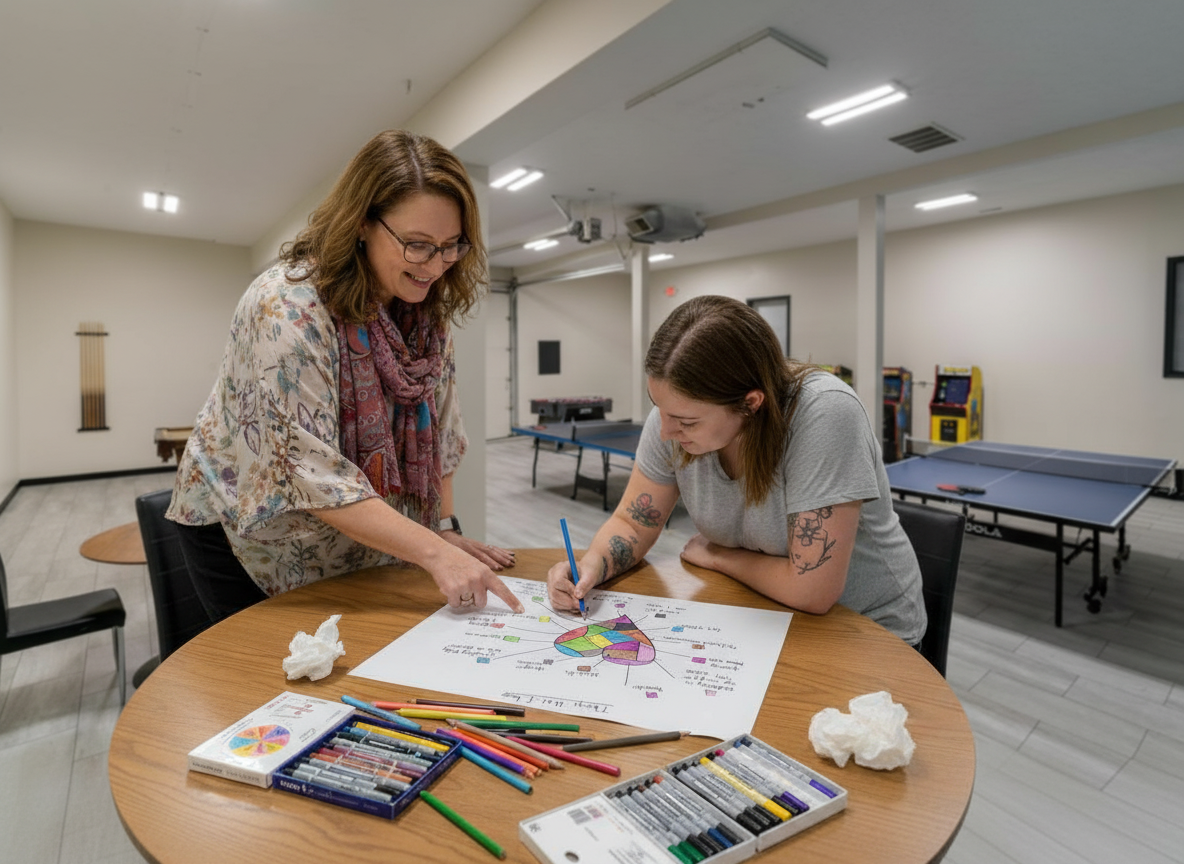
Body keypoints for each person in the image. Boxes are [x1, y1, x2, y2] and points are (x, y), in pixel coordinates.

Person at [168, 129, 524, 620]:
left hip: (353, 532)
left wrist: (441, 527)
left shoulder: (423, 314)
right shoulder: (288, 305)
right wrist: (435, 553)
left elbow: (441, 433)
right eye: (417, 245)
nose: (436, 266)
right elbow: (311, 473)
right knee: (274, 677)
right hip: (249, 529)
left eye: (450, 246)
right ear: (361, 223)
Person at [547, 295, 925, 644]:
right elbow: (632, 523)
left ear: (750, 404)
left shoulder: (825, 414)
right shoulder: (671, 420)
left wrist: (718, 556)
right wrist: (592, 564)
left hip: (867, 630)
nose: (665, 432)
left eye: (686, 422)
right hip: (760, 615)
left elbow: (812, 590)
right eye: (659, 409)